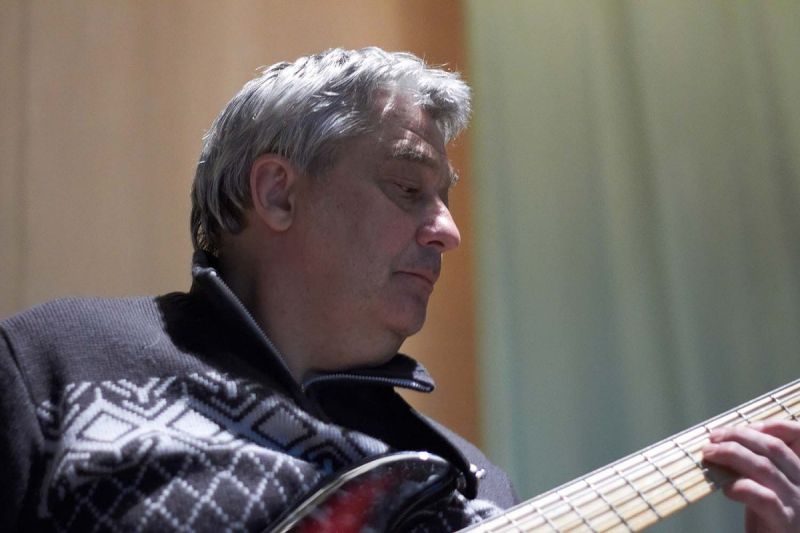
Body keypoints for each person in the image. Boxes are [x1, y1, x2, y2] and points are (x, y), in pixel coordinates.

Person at [1, 47, 799, 532]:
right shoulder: (55, 363)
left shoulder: (464, 480)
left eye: (444, 199)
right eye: (409, 189)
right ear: (278, 194)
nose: (447, 230)